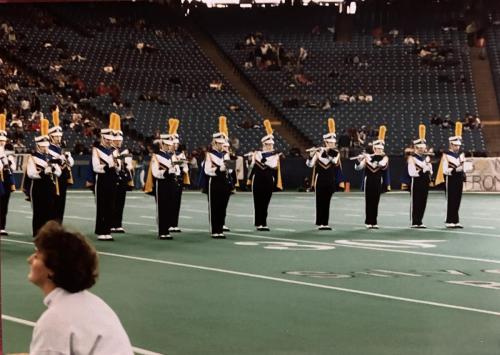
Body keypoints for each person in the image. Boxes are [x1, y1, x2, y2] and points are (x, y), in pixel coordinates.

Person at [28, 221, 134, 354]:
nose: (30, 260)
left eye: (37, 256)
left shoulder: (54, 320)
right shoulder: (95, 304)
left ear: (52, 269)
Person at [306, 118, 345, 230]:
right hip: (320, 180)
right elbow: (309, 164)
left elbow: (333, 161)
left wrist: (326, 153)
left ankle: (325, 223)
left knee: (327, 201)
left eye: (334, 142)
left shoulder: (335, 153)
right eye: (331, 142)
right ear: (326, 142)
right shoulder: (318, 152)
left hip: (330, 179)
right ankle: (320, 222)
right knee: (320, 200)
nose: (333, 144)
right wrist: (311, 154)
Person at [27, 118, 61, 237]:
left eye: (46, 147)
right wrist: (43, 172)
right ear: (38, 146)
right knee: (38, 213)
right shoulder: (32, 157)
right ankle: (37, 236)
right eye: (43, 147)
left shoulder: (50, 157)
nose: (45, 149)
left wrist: (54, 170)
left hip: (49, 187)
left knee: (49, 213)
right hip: (38, 188)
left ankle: (47, 236)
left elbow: (59, 172)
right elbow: (31, 174)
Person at [247, 119, 283, 231]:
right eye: (267, 145)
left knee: (265, 202)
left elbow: (272, 165)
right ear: (263, 144)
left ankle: (264, 223)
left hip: (268, 180)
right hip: (257, 180)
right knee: (257, 202)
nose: (269, 146)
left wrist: (268, 156)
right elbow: (256, 163)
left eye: (271, 145)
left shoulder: (274, 155)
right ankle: (259, 223)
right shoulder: (257, 153)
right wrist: (252, 157)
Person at [147, 120, 179, 240]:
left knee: (170, 206)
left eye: (169, 144)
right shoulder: (157, 156)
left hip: (171, 183)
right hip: (162, 184)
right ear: (162, 144)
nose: (168, 146)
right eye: (166, 144)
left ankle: (167, 229)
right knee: (162, 207)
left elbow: (177, 171)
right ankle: (162, 231)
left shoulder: (173, 156)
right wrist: (167, 171)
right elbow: (156, 173)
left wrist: (176, 169)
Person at [201, 116, 232, 238]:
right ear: (214, 143)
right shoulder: (209, 155)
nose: (221, 146)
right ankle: (215, 230)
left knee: (222, 206)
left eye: (222, 144)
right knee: (215, 206)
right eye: (219, 143)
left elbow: (230, 169)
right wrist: (220, 168)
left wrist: (228, 167)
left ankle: (220, 229)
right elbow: (208, 170)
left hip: (224, 181)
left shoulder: (225, 155)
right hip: (214, 182)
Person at [354, 125, 390, 229]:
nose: (379, 150)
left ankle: (374, 221)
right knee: (368, 201)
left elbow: (380, 165)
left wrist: (368, 158)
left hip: (378, 181)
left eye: (380, 149)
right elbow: (358, 168)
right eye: (377, 149)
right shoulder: (368, 157)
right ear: (374, 148)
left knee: (376, 201)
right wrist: (360, 160)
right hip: (368, 181)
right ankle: (368, 221)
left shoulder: (385, 158)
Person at [435, 122, 467, 228]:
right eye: (455, 145)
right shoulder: (446, 155)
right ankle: (449, 220)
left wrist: (464, 170)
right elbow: (445, 171)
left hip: (458, 178)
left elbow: (463, 166)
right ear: (451, 145)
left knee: (458, 199)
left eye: (459, 145)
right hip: (450, 178)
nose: (457, 147)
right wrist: (454, 169)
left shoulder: (461, 155)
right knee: (451, 199)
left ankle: (456, 220)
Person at [91, 114, 118, 241]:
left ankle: (107, 230)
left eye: (110, 139)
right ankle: (101, 230)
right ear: (102, 138)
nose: (108, 141)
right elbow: (96, 167)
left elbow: (117, 167)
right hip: (102, 179)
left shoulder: (114, 150)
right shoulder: (96, 150)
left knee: (111, 205)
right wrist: (108, 165)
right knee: (102, 205)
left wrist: (118, 164)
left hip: (112, 179)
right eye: (106, 139)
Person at [48, 109, 74, 223]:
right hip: (52, 179)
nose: (59, 138)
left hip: (62, 177)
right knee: (52, 202)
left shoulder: (62, 148)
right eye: (56, 136)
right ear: (51, 137)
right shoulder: (47, 148)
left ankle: (59, 223)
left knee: (61, 203)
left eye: (60, 136)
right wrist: (58, 159)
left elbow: (71, 163)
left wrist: (67, 158)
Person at [110, 114, 134, 234]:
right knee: (112, 203)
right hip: (112, 179)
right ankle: (110, 224)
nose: (119, 142)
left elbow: (128, 167)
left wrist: (128, 164)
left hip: (122, 179)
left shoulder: (123, 151)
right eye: (116, 140)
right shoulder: (108, 151)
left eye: (120, 140)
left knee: (120, 202)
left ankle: (118, 224)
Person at [407, 124, 433, 228]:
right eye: (420, 148)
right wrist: (424, 167)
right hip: (416, 181)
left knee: (423, 201)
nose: (422, 150)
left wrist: (429, 167)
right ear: (416, 148)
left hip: (425, 181)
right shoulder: (412, 158)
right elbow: (412, 173)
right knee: (416, 201)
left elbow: (430, 172)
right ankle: (414, 221)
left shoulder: (425, 158)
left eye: (423, 148)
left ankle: (420, 221)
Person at [170, 118, 190, 233]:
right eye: (174, 143)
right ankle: (168, 223)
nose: (176, 145)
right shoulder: (167, 155)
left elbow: (184, 167)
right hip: (170, 179)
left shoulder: (180, 154)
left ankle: (174, 223)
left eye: (177, 143)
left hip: (178, 179)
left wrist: (184, 167)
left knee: (177, 202)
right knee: (170, 202)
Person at [0, 113, 16, 235]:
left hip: (5, 179)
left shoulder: (8, 151)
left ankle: (2, 226)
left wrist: (9, 163)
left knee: (4, 204)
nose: (2, 142)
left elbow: (13, 168)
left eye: (3, 141)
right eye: (0, 140)